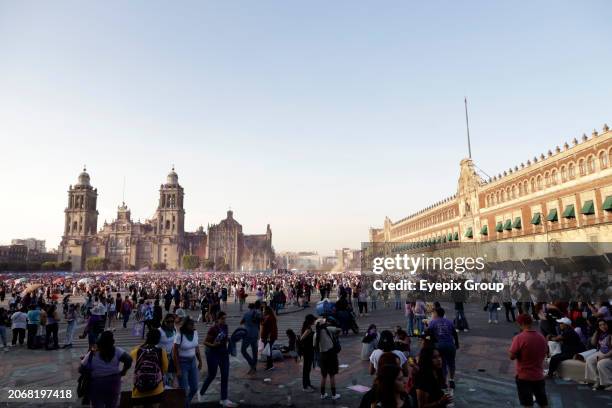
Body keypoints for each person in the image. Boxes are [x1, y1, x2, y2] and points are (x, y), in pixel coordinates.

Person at [80, 331, 133, 408]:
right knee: (112, 404)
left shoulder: (94, 350)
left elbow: (82, 367)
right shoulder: (117, 350)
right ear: (112, 341)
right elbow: (128, 359)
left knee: (97, 404)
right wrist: (123, 371)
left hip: (97, 383)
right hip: (114, 382)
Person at [508, 314, 548, 408]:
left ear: (521, 323)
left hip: (524, 376)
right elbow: (545, 352)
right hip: (538, 375)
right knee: (543, 403)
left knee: (527, 404)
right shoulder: (541, 337)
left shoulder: (519, 338)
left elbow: (511, 356)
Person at [199, 311, 237, 407]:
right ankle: (201, 392)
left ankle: (224, 399)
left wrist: (229, 341)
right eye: (222, 318)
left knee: (225, 375)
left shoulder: (225, 327)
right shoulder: (213, 329)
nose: (224, 320)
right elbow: (205, 342)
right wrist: (213, 344)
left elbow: (225, 337)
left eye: (225, 318)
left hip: (223, 353)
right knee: (212, 375)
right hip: (213, 353)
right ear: (217, 319)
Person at [130, 329, 168, 408]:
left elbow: (131, 357)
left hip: (138, 391)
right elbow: (165, 369)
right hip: (156, 390)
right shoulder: (161, 351)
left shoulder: (137, 351)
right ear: (158, 339)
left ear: (147, 338)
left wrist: (143, 344)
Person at [173, 317, 202, 407]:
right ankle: (185, 405)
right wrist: (178, 369)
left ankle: (185, 403)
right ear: (186, 325)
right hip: (182, 363)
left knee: (194, 387)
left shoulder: (195, 333)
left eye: (193, 324)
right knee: (184, 390)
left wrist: (200, 361)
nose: (193, 326)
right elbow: (175, 353)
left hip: (192, 362)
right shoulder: (179, 335)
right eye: (191, 325)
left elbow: (196, 348)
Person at [428, 308, 459, 388]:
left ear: (436, 313)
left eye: (433, 313)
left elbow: (429, 333)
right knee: (451, 363)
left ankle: (443, 382)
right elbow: (454, 333)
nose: (433, 315)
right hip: (450, 345)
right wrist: (457, 344)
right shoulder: (449, 322)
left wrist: (432, 343)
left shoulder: (433, 322)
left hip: (439, 345)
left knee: (442, 364)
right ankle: (451, 380)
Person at [314, 317, 341, 400]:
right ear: (324, 324)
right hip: (331, 355)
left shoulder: (315, 335)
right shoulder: (328, 330)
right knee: (332, 376)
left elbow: (314, 346)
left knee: (323, 376)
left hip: (322, 356)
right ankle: (334, 395)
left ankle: (322, 394)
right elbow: (339, 329)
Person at [584, 319, 612, 390]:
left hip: (609, 355)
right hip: (601, 352)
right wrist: (596, 332)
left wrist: (604, 356)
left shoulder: (610, 334)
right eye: (600, 325)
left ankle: (609, 383)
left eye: (604, 324)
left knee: (601, 363)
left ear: (608, 324)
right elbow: (593, 343)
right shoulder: (601, 334)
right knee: (589, 360)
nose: (603, 326)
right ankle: (597, 380)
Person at [240, 302, 261, 374]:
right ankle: (254, 367)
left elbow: (241, 322)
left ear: (249, 307)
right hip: (255, 334)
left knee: (243, 350)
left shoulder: (246, 314)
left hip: (247, 334)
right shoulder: (258, 313)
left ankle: (252, 363)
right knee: (254, 351)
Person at [158, 314, 177, 388]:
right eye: (168, 321)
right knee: (163, 377)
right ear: (164, 321)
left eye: (172, 321)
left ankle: (169, 391)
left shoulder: (174, 329)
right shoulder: (159, 331)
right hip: (161, 358)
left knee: (170, 377)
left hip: (171, 358)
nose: (170, 323)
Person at [299, 314, 317, 392]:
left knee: (308, 368)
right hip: (307, 351)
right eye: (313, 320)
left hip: (309, 351)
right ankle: (305, 386)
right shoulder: (308, 329)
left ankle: (308, 384)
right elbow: (301, 339)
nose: (314, 321)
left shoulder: (308, 328)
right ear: (311, 321)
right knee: (306, 369)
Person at [260, 306, 278, 371]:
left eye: (264, 310)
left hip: (268, 337)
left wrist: (268, 337)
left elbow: (271, 328)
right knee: (268, 351)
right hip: (268, 337)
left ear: (267, 311)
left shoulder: (270, 318)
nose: (264, 311)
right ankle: (269, 364)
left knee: (268, 351)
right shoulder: (269, 317)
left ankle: (270, 365)